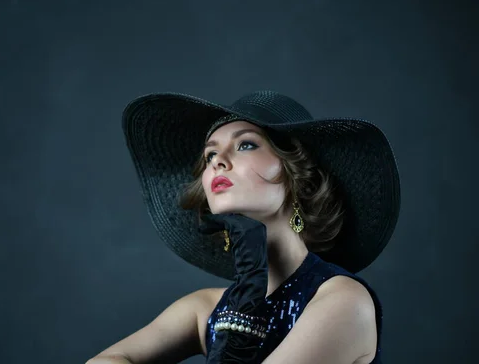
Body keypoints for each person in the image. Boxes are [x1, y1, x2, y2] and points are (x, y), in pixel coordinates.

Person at [87, 91, 400, 364]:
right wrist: (248, 283)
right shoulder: (205, 308)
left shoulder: (344, 300)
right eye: (210, 153)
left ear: (297, 176)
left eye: (246, 145)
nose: (217, 161)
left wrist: (252, 279)